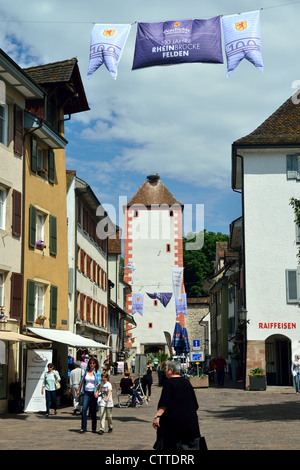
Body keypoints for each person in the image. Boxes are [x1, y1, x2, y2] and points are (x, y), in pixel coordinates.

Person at [152, 360, 200, 451]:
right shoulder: (186, 382)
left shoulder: (169, 383)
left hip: (174, 426)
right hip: (190, 423)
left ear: (171, 370)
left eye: (166, 369)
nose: (164, 371)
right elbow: (195, 405)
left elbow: (164, 403)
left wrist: (157, 416)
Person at [77, 357, 101, 433]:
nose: (92, 365)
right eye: (90, 363)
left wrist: (97, 391)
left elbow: (99, 383)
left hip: (93, 393)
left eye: (93, 363)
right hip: (86, 392)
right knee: (84, 409)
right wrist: (78, 390)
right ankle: (83, 427)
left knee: (93, 410)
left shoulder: (97, 372)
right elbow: (82, 382)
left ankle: (94, 428)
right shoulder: (86, 372)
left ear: (96, 364)